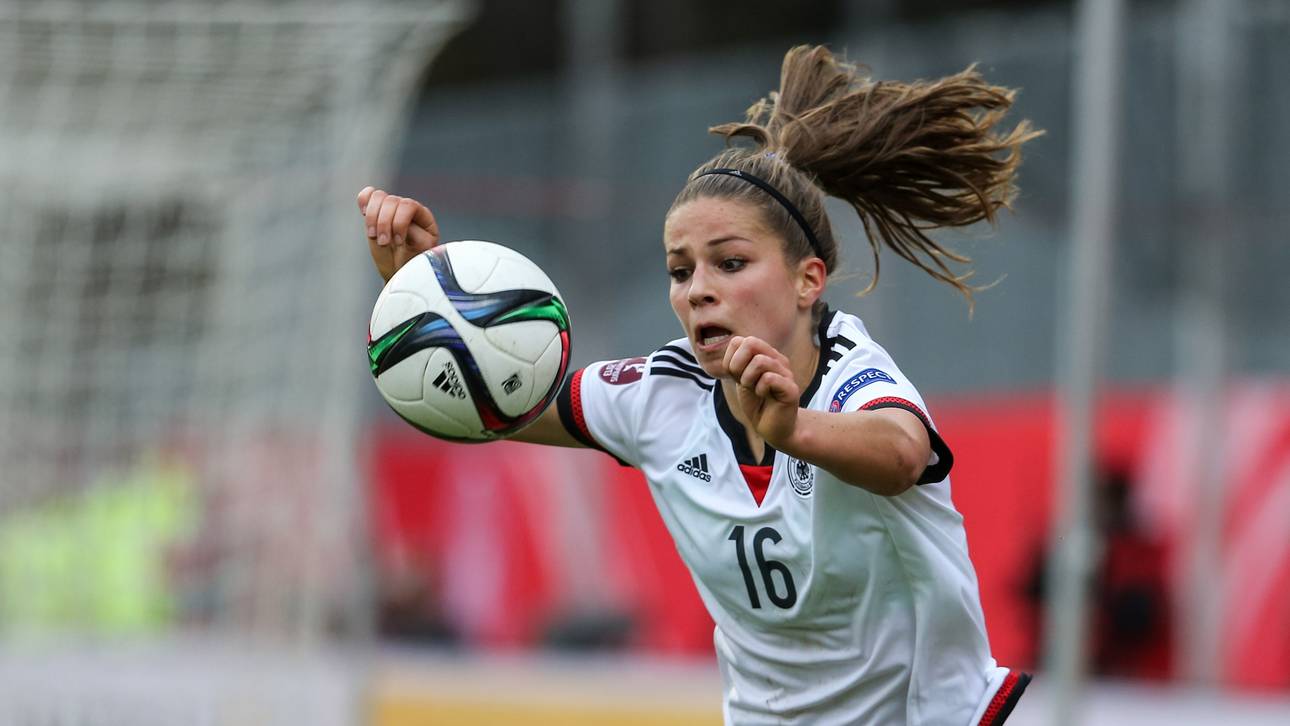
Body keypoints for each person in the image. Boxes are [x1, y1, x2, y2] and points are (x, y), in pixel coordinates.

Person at [359, 45, 1040, 725]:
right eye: (681, 272)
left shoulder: (849, 373)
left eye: (730, 263)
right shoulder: (660, 394)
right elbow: (503, 405)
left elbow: (902, 453)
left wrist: (793, 428)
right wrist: (430, 300)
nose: (699, 291)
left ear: (808, 280)